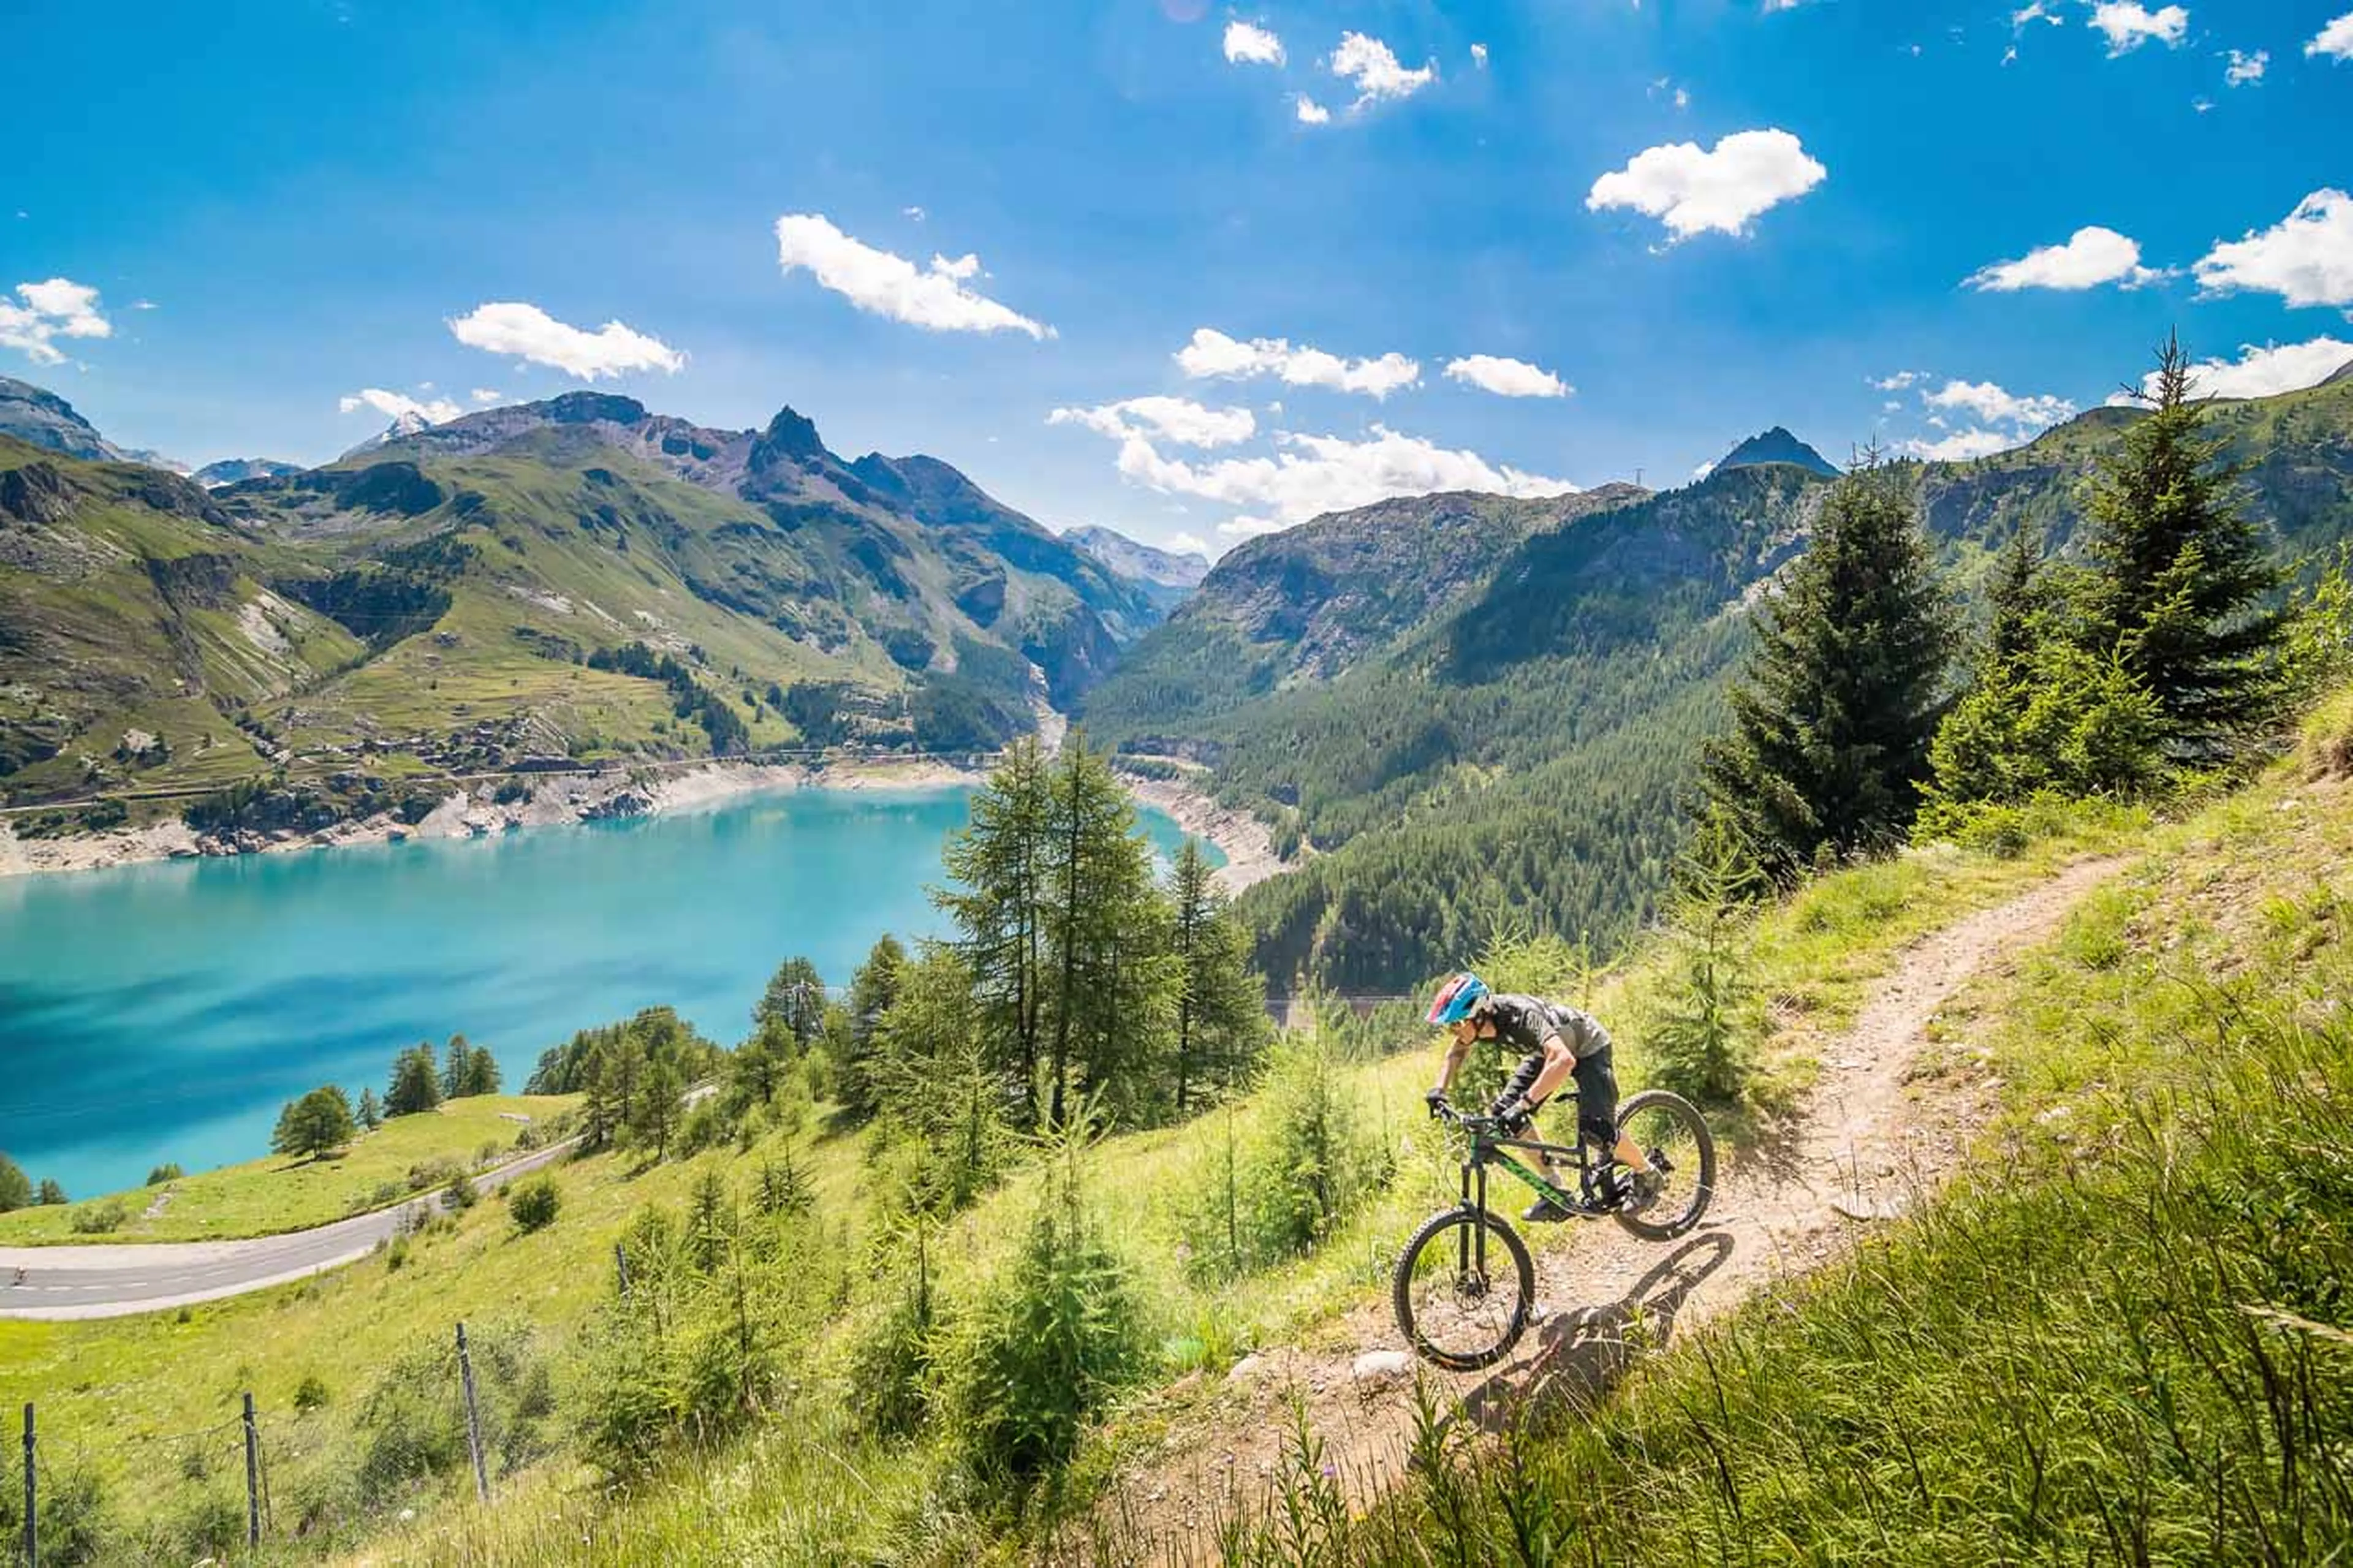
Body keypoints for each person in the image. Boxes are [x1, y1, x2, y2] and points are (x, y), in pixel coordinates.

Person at [1423, 971, 1659, 1222]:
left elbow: (1564, 1060)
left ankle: (1649, 1174)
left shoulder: (1521, 1016)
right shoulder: (1476, 1028)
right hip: (1549, 1052)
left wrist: (1525, 1104)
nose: (1453, 1032)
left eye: (1456, 1024)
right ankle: (1555, 1191)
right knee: (1505, 1112)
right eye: (1449, 1026)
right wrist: (1439, 1090)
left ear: (1479, 1014)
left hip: (1588, 1047)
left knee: (1598, 1132)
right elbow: (1457, 1053)